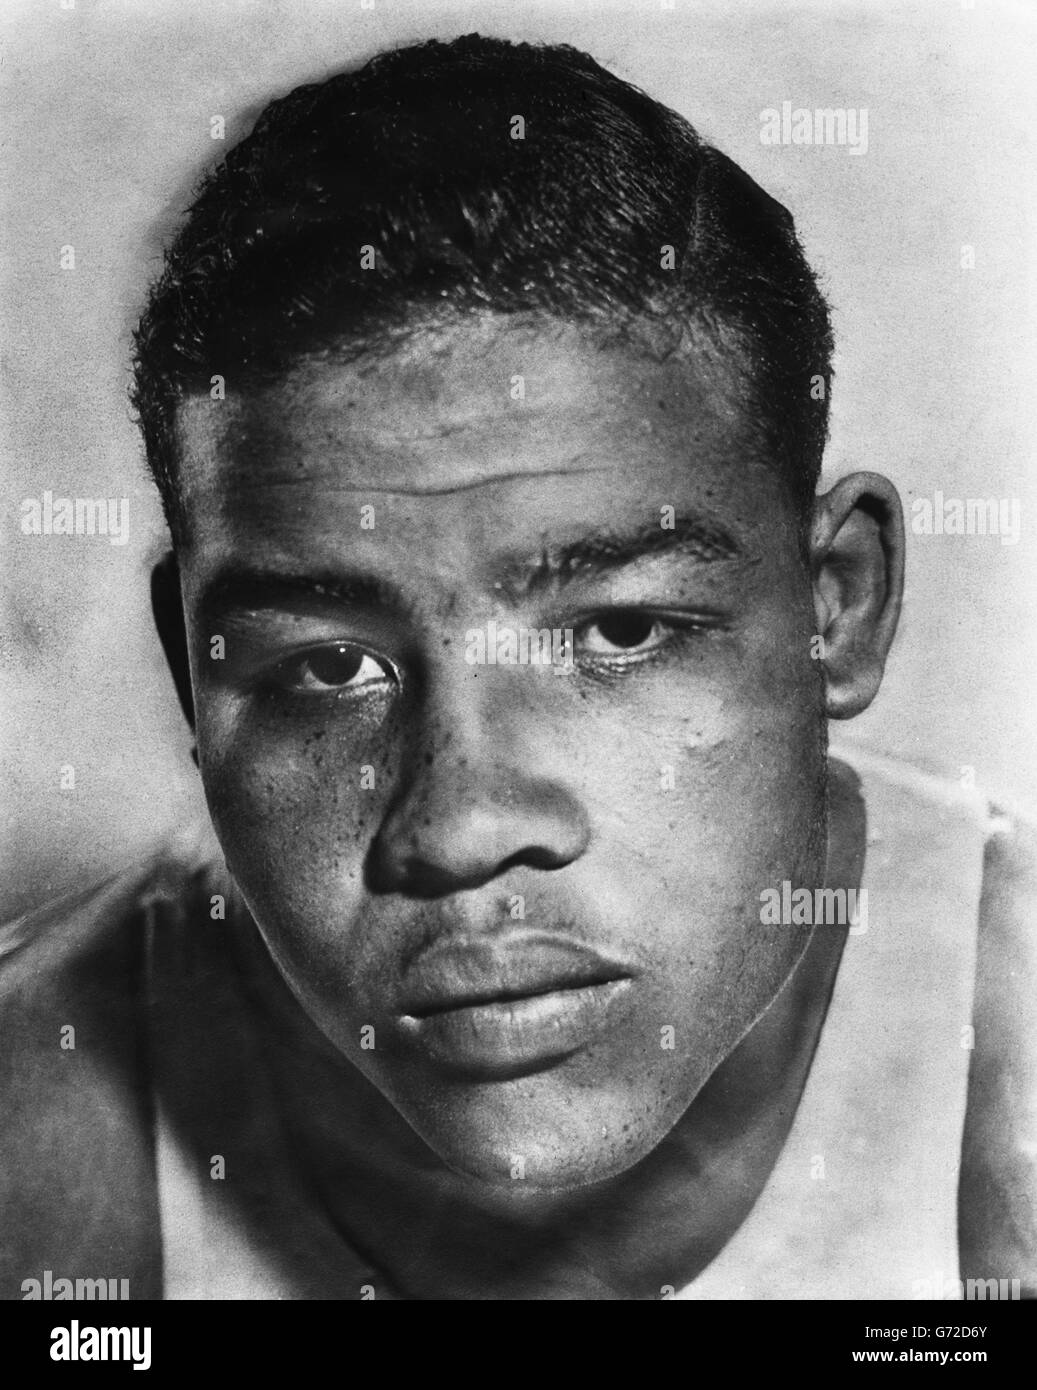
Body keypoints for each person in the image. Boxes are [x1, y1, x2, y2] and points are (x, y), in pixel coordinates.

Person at [2, 34, 1033, 1301]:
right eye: (329, 665)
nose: (459, 825)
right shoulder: (38, 1125)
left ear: (837, 606)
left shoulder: (1006, 1053)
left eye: (616, 633)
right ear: (191, 671)